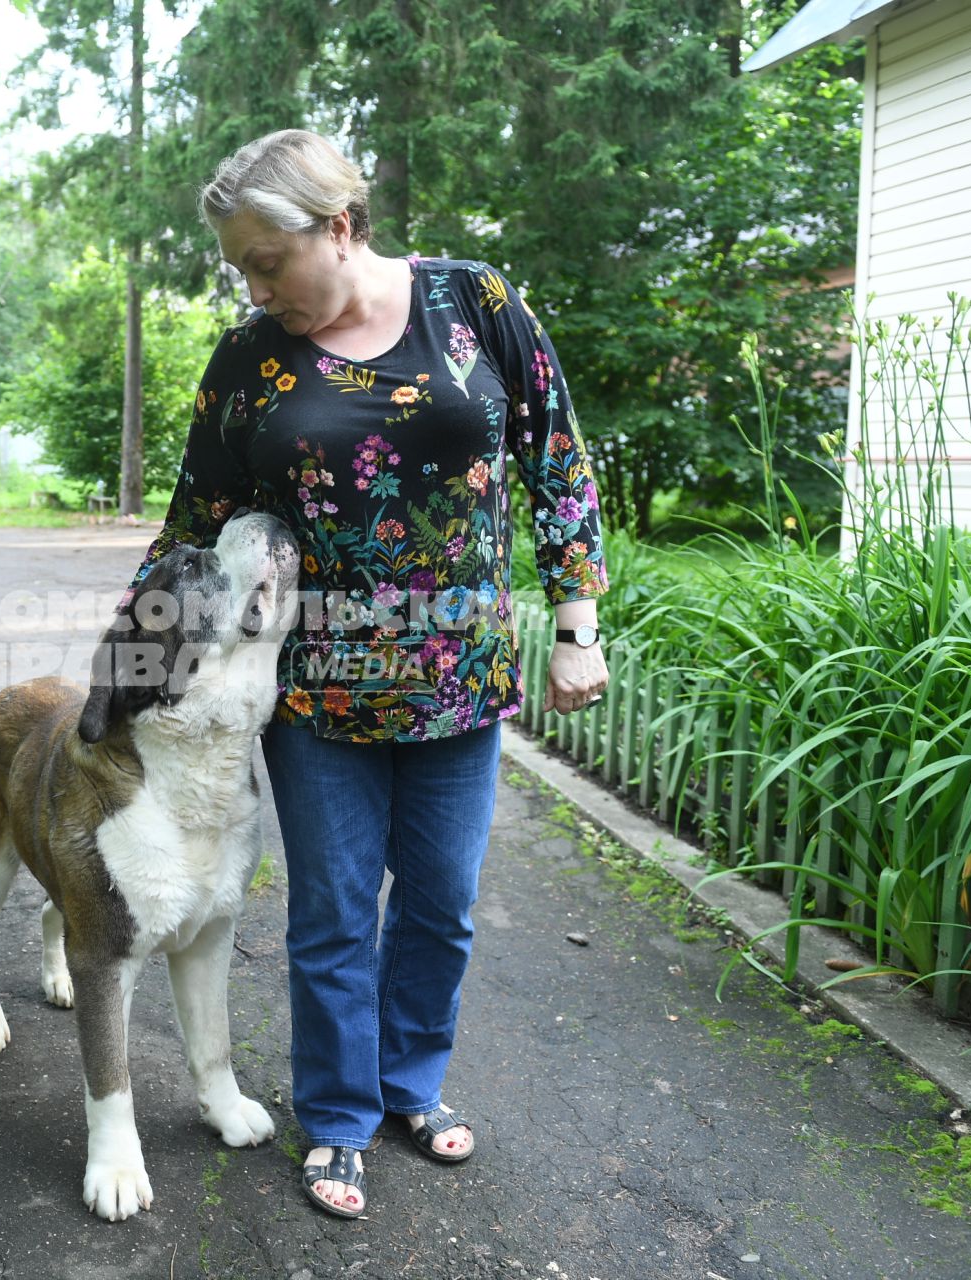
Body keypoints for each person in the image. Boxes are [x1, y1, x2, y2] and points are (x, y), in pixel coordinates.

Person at [117, 128, 611, 1219]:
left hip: (460, 677)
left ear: (338, 227)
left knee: (442, 902)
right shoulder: (251, 359)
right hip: (321, 686)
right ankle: (337, 1116)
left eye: (266, 260)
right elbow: (192, 523)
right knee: (335, 909)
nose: (254, 286)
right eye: (240, 267)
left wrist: (578, 622)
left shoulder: (473, 302)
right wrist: (128, 669)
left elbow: (555, 455)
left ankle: (409, 1085)